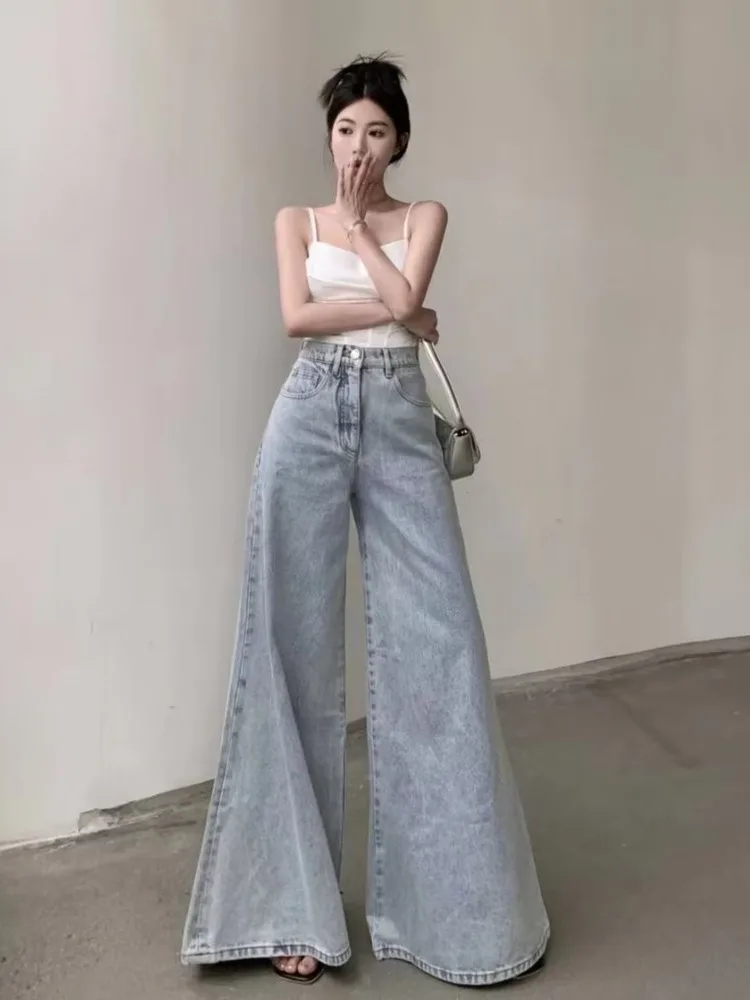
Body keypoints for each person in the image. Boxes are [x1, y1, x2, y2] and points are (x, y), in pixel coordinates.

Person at [180, 55, 549, 987]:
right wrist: (396, 306)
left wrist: (362, 243)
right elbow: (298, 318)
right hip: (308, 415)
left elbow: (402, 301)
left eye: (376, 131)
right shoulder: (291, 221)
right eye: (346, 129)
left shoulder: (424, 216)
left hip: (395, 418)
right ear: (329, 135)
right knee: (287, 647)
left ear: (401, 141)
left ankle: (461, 919)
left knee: (442, 646)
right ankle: (289, 910)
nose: (358, 147)